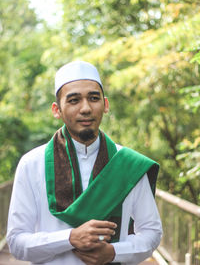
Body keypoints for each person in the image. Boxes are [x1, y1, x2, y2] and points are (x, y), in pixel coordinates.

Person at [7, 61, 162, 265]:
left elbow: (151, 233)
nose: (86, 108)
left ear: (105, 105)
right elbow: (16, 242)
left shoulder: (128, 164)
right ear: (57, 110)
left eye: (93, 98)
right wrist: (69, 238)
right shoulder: (32, 164)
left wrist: (115, 252)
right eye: (73, 100)